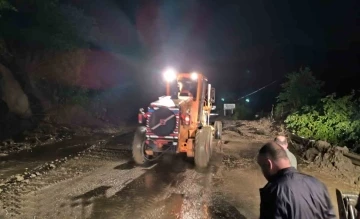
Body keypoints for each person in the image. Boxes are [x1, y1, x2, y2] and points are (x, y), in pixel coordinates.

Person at [257, 142, 336, 219]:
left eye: (262, 167)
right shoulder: (317, 184)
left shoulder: (273, 191)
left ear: (269, 164)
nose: (263, 172)